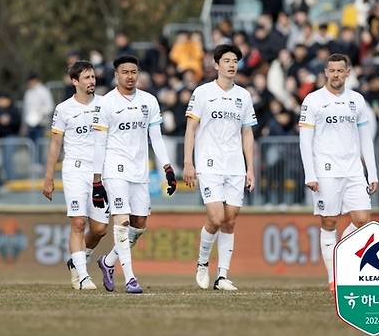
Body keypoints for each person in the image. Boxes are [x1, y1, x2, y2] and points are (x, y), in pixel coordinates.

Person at [92, 55, 177, 294]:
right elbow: (99, 144)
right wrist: (97, 180)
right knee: (122, 221)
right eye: (125, 72)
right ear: (116, 75)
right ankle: (130, 279)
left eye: (133, 72)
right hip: (114, 168)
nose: (130, 76)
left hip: (140, 170)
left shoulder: (149, 101)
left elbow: (156, 137)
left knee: (139, 225)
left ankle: (107, 262)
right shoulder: (107, 103)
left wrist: (167, 168)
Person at [299, 53, 379, 293]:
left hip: (354, 170)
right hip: (325, 171)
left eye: (340, 71)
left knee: (363, 220)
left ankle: (341, 252)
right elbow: (305, 139)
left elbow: (366, 140)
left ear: (348, 73)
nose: (336, 75)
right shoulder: (312, 100)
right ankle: (334, 278)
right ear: (326, 72)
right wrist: (309, 174)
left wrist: (372, 173)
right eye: (331, 70)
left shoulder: (357, 101)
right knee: (329, 222)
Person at [183, 44, 257, 291]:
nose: (231, 64)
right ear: (216, 65)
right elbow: (191, 129)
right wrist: (188, 162)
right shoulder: (203, 93)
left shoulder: (244, 96)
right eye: (226, 60)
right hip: (209, 163)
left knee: (231, 220)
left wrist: (250, 168)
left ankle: (222, 276)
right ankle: (203, 262)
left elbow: (247, 133)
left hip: (235, 165)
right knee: (216, 217)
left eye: (235, 60)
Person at [42, 61, 109, 290]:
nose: (92, 81)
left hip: (101, 172)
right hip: (75, 170)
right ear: (74, 81)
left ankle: (77, 261)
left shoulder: (105, 103)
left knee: (100, 229)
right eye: (87, 78)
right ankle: (82, 276)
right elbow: (55, 145)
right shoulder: (64, 109)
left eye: (93, 77)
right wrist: (49, 177)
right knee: (78, 223)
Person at [22, 73, 54, 142]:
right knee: (31, 147)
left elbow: (50, 107)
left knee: (40, 148)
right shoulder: (28, 93)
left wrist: (39, 113)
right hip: (30, 125)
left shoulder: (44, 91)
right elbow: (26, 110)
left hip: (41, 124)